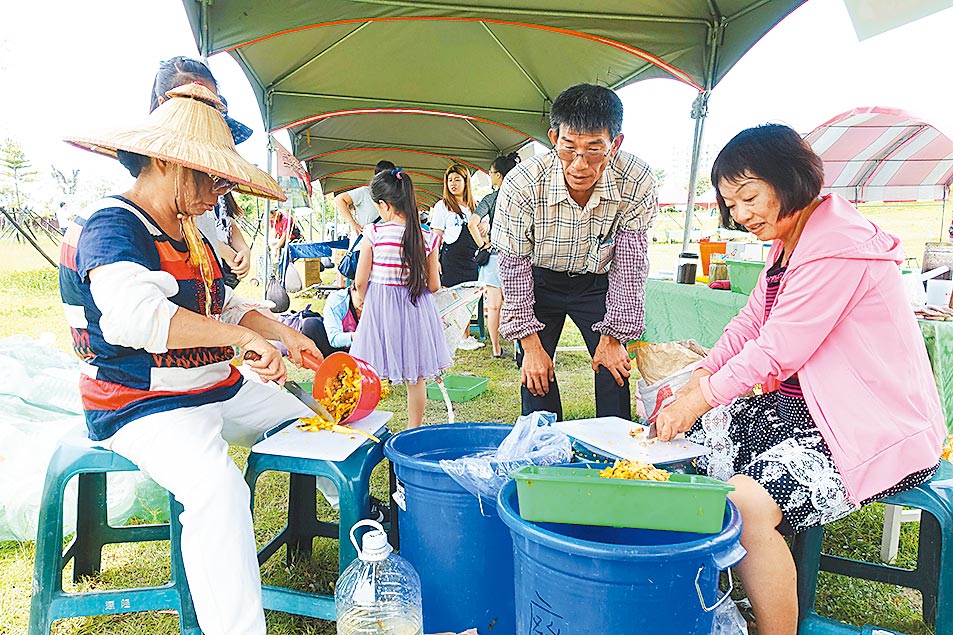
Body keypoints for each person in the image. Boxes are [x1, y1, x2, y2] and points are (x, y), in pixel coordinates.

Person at [655, 124, 946, 635]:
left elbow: (777, 348)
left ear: (790, 179)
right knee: (682, 451)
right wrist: (700, 375)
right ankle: (700, 601)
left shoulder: (836, 246)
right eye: (731, 203)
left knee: (744, 501)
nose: (741, 215)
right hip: (807, 410)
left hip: (871, 425)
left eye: (750, 196)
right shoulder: (790, 242)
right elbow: (751, 324)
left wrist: (701, 396)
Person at [60, 82, 320, 635]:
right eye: (208, 177)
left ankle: (370, 534)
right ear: (164, 162)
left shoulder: (192, 229)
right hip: (141, 404)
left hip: (213, 387)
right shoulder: (113, 226)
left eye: (222, 179)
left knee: (312, 425)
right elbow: (138, 319)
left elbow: (221, 304)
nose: (216, 193)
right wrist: (240, 341)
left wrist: (280, 333)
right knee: (218, 492)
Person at [491, 83, 657, 420]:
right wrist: (530, 346)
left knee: (614, 370)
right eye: (569, 148)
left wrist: (614, 338)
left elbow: (630, 264)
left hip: (597, 283)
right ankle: (545, 454)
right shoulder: (522, 183)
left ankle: (614, 458)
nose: (579, 165)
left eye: (594, 149)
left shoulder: (636, 179)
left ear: (616, 143)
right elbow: (513, 266)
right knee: (535, 375)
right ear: (554, 138)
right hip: (538, 281)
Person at [349, 167, 452, 429]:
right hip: (417, 310)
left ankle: (358, 423)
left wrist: (361, 298)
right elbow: (434, 284)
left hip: (381, 309)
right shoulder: (427, 237)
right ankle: (413, 429)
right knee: (416, 376)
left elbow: (361, 279)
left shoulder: (373, 233)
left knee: (366, 368)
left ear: (384, 205)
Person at [150, 56, 253, 286]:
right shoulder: (122, 224)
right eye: (193, 104)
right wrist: (223, 252)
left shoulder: (209, 190)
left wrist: (241, 248)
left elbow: (225, 221)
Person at [430, 164, 483, 350]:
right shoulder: (442, 206)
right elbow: (435, 236)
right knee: (449, 296)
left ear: (465, 182)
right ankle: (445, 335)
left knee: (467, 297)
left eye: (457, 180)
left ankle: (465, 336)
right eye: (450, 180)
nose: (453, 184)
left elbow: (483, 229)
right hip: (450, 257)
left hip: (470, 259)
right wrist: (434, 261)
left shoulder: (475, 206)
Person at [472, 152, 519, 358]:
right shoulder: (519, 195)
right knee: (517, 304)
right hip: (516, 256)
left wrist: (483, 244)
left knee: (493, 306)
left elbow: (472, 223)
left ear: (499, 176)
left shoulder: (490, 199)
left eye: (491, 173)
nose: (490, 176)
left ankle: (496, 349)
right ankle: (519, 347)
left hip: (493, 257)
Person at [334, 160, 397, 236]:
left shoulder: (396, 197)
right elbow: (339, 199)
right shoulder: (365, 192)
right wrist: (353, 224)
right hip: (363, 242)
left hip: (384, 243)